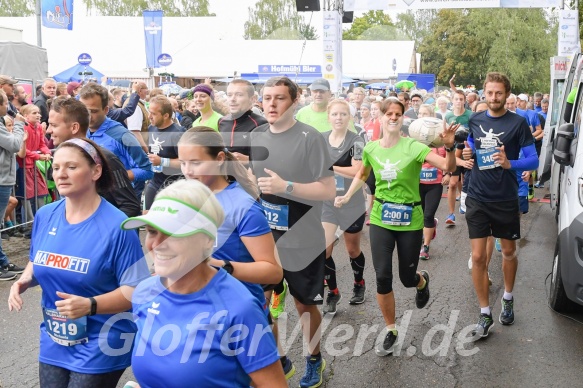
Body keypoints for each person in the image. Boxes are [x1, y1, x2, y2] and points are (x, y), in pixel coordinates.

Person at [8, 137, 150, 387]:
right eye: (56, 167)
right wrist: (26, 278)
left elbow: (137, 291)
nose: (61, 174)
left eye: (71, 167)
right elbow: (38, 258)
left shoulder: (118, 226)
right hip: (54, 339)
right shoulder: (45, 215)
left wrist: (90, 305)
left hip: (102, 342)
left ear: (96, 171)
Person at [121, 179, 287, 388]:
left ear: (207, 240)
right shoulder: (145, 292)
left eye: (173, 233)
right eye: (152, 231)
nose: (157, 244)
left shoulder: (239, 308)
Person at [335, 98, 457, 356]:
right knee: (382, 277)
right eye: (388, 113)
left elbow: (448, 167)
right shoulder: (371, 148)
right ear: (380, 117)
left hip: (410, 220)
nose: (392, 117)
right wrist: (347, 196)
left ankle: (421, 281)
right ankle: (391, 329)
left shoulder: (413, 147)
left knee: (406, 278)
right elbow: (363, 174)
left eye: (397, 114)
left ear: (403, 118)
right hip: (381, 218)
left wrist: (450, 147)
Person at [177, 126, 293, 378]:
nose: (187, 170)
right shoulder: (184, 196)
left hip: (236, 315)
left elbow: (273, 272)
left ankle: (279, 363)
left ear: (219, 160)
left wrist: (221, 266)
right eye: (184, 162)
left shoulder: (244, 207)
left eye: (196, 162)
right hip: (193, 309)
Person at [249, 76, 335, 388]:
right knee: (259, 302)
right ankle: (279, 359)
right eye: (267, 97)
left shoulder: (310, 138)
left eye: (279, 98)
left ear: (294, 101)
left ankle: (315, 359)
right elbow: (256, 182)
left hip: (302, 236)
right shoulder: (258, 135)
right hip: (265, 237)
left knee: (304, 304)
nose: (271, 104)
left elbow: (327, 189)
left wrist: (286, 187)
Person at [462, 72, 538, 339]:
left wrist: (509, 164)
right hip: (477, 196)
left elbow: (533, 161)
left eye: (498, 93)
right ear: (484, 92)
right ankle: (484, 313)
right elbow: (471, 143)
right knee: (479, 257)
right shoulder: (475, 119)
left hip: (505, 197)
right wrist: (466, 151)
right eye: (489, 93)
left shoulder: (518, 123)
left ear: (507, 94)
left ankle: (507, 297)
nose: (493, 98)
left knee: (507, 251)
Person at [47, 96, 141, 217]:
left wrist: (101, 231)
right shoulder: (59, 155)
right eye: (56, 168)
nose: (48, 130)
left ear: (74, 127)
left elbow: (130, 206)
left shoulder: (104, 158)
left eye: (54, 125)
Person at [320, 99, 367, 315]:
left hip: (351, 201)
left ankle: (359, 283)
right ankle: (334, 291)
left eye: (343, 114)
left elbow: (358, 170)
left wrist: (330, 167)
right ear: (328, 116)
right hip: (328, 201)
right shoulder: (320, 139)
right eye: (335, 114)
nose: (339, 118)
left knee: (352, 249)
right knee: (323, 250)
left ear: (350, 117)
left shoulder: (356, 140)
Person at [80, 83, 153, 199]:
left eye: (93, 111)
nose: (88, 116)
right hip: (91, 202)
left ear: (106, 110)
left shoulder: (122, 136)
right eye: (84, 111)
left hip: (120, 204)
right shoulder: (81, 132)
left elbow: (147, 170)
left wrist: (112, 177)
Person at [0, 90, 26, 280]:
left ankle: (2, 262)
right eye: (6, 102)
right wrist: (18, 125)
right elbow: (15, 145)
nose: (8, 106)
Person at [143, 95, 185, 210]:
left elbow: (185, 162)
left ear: (166, 115)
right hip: (154, 181)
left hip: (174, 185)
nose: (149, 116)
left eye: (153, 114)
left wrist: (162, 161)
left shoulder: (178, 133)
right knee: (147, 217)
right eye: (149, 112)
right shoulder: (152, 128)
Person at [417, 105, 447, 260]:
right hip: (417, 183)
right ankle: (428, 228)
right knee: (419, 214)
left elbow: (448, 156)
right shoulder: (413, 137)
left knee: (428, 215)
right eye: (420, 113)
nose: (422, 116)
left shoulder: (439, 136)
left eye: (425, 113)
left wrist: (448, 173)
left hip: (435, 184)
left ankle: (425, 247)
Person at [218, 79, 267, 164]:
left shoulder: (261, 124)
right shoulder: (222, 121)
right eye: (229, 95)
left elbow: (270, 158)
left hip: (249, 176)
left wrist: (248, 160)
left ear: (252, 99)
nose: (232, 99)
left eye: (239, 95)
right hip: (225, 175)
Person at [18, 104, 51, 220]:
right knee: (26, 196)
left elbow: (42, 144)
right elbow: (21, 148)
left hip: (32, 165)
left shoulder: (38, 127)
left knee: (40, 191)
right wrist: (37, 156)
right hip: (23, 166)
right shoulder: (23, 127)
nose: (38, 115)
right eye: (34, 113)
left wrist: (47, 152)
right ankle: (29, 224)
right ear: (25, 116)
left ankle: (41, 219)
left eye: (38, 113)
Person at [444, 90, 472, 226]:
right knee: (453, 183)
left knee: (465, 181)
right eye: (456, 99)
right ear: (452, 100)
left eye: (461, 99)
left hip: (467, 152)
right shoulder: (448, 116)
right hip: (453, 152)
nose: (459, 102)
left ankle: (463, 201)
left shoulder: (470, 115)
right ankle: (450, 214)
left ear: (464, 101)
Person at [125, 82, 150, 153]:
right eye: (146, 88)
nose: (147, 91)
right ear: (139, 90)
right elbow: (134, 132)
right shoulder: (136, 106)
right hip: (141, 151)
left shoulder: (138, 103)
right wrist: (147, 151)